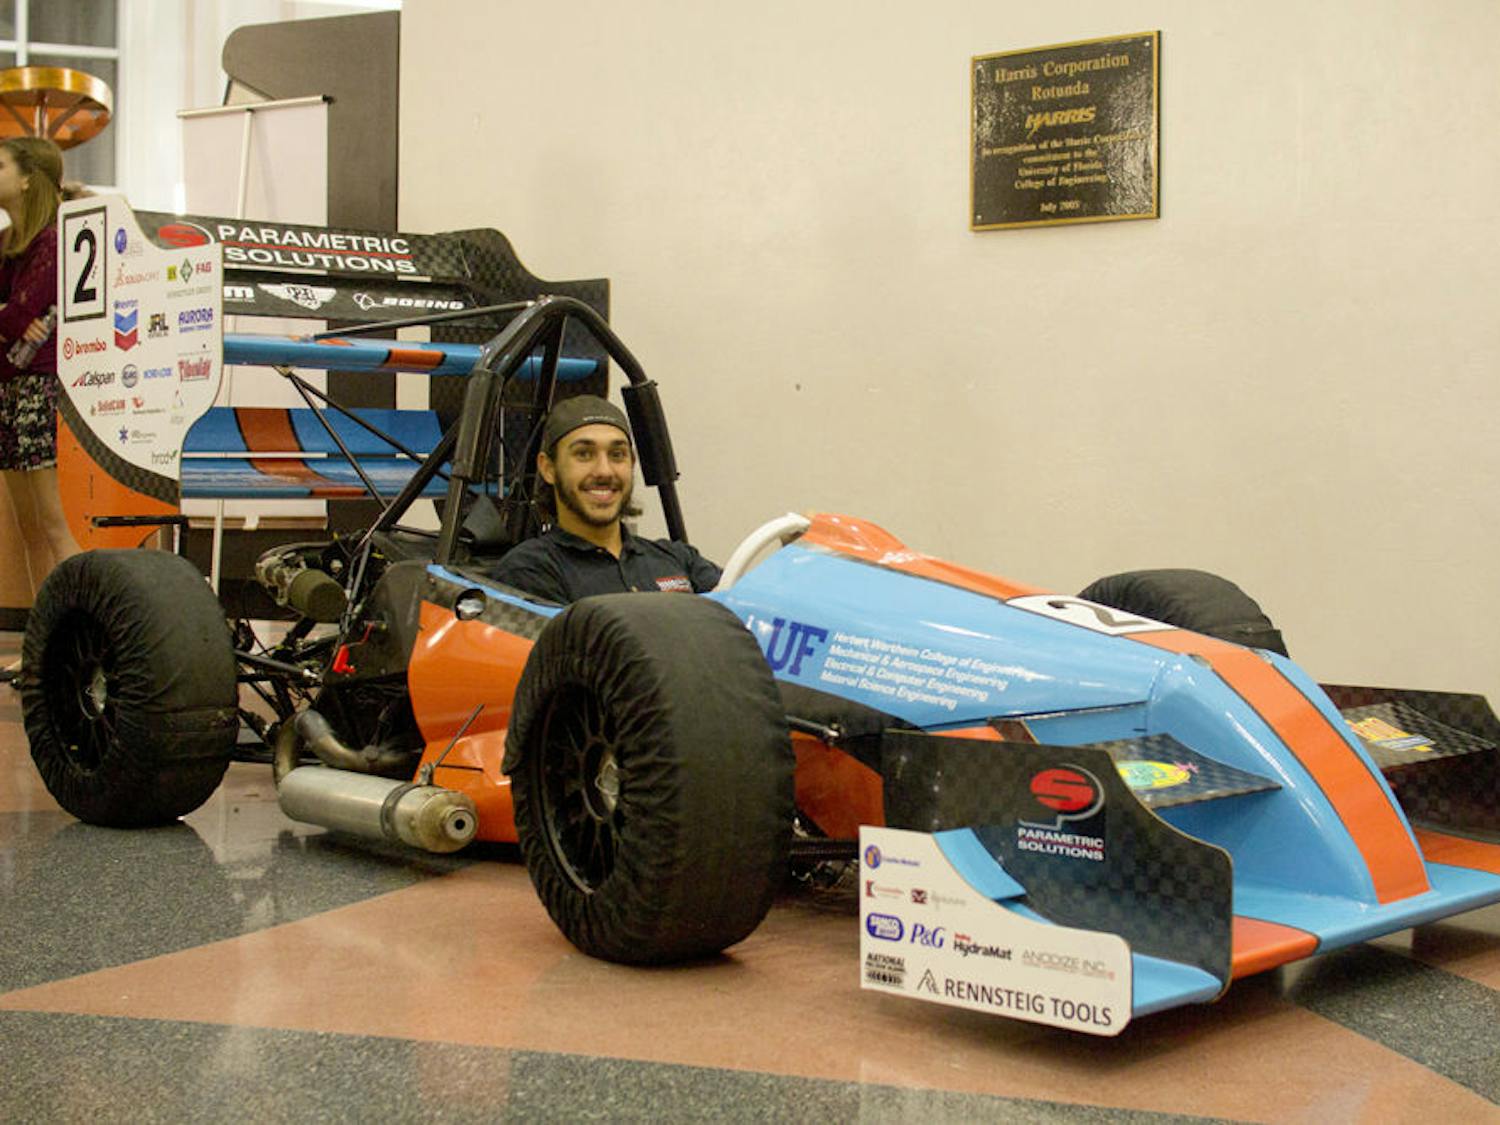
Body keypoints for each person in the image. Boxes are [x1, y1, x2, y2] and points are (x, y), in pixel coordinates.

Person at [488, 394, 720, 602]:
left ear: (632, 464)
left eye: (617, 455)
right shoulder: (529, 570)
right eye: (584, 454)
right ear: (548, 468)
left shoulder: (680, 559)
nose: (604, 471)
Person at [0, 137, 81, 679]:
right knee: (28, 526)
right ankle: (42, 642)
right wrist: (10, 314)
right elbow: (11, 317)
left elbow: (23, 315)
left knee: (53, 523)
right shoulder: (10, 241)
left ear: (28, 177)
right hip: (9, 386)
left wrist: (11, 314)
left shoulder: (55, 240)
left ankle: (82, 636)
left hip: (38, 387)